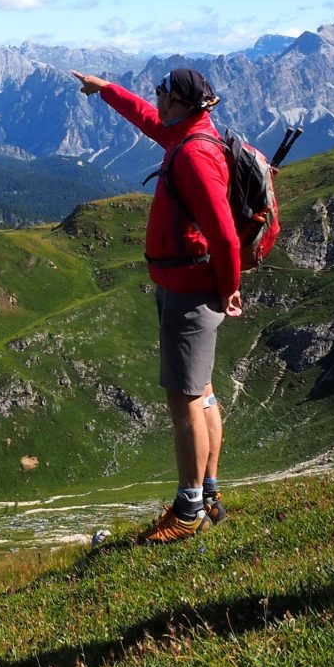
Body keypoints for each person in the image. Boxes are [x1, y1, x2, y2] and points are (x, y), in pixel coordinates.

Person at [72, 66, 241, 542]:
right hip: (186, 283)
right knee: (202, 391)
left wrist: (229, 287)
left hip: (190, 290)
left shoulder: (194, 155)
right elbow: (146, 118)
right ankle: (209, 494)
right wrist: (107, 91)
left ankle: (188, 510)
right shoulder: (187, 134)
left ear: (180, 101)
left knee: (184, 400)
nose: (157, 98)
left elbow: (226, 235)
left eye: (162, 92)